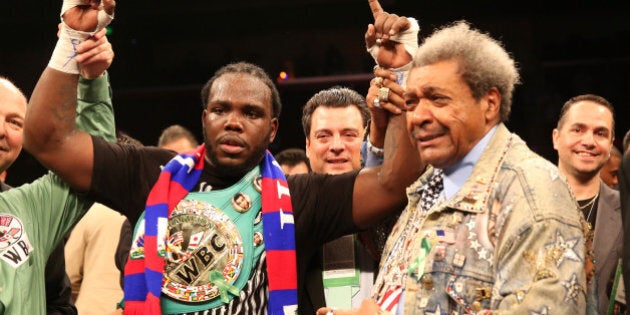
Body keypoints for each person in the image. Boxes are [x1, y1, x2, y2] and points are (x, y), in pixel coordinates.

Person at [23, 2, 423, 315]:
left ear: (271, 129)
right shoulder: (149, 171)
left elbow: (393, 184)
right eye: (221, 110)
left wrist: (404, 70)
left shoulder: (302, 197)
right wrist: (72, 37)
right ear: (204, 118)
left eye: (250, 113)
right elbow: (47, 139)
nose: (233, 122)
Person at [318, 1, 587, 313]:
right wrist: (399, 68)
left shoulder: (531, 190)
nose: (419, 116)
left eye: (438, 99)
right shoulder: (433, 183)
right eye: (413, 102)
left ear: (489, 103)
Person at [0, 8, 116, 314]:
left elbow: (93, 161)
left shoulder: (28, 210)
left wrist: (78, 50)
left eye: (14, 122)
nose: (1, 130)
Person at [552, 94, 622, 314]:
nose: (589, 141)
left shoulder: (627, 211)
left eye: (600, 133)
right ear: (556, 138)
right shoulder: (519, 204)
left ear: (610, 145)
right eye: (578, 130)